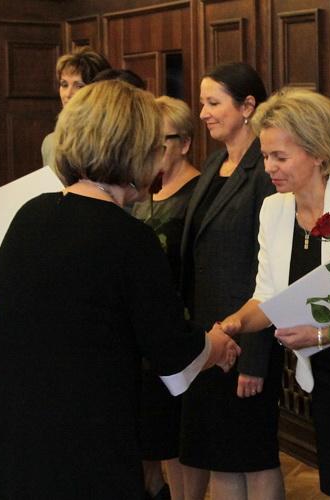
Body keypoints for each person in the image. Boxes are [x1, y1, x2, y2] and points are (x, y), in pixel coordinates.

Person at [0, 80, 239, 500]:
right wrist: (216, 346)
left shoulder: (32, 214)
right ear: (133, 150)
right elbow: (171, 352)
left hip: (9, 425)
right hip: (82, 434)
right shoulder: (129, 238)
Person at [221, 87, 330, 499]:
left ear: (318, 152)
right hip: (320, 376)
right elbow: (266, 296)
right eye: (265, 156)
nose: (269, 168)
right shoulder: (274, 209)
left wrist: (320, 335)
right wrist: (234, 324)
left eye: (280, 157)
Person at [178, 62, 281, 500]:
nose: (203, 113)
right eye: (202, 103)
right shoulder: (215, 162)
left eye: (213, 103)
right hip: (211, 336)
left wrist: (255, 357)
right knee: (220, 454)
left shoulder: (266, 170)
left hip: (246, 339)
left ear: (248, 106)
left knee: (253, 456)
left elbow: (269, 270)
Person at [131, 95, 200, 500]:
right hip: (138, 333)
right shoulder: (139, 189)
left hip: (176, 326)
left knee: (174, 440)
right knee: (143, 443)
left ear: (185, 143)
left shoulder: (196, 193)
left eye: (162, 142)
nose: (153, 151)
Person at [41, 46, 111, 174]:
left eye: (79, 86)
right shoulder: (51, 142)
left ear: (99, 90)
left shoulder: (112, 140)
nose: (68, 94)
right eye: (64, 85)